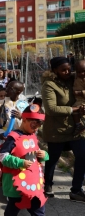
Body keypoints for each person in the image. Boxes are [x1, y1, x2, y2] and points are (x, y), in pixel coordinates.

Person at [41, 56, 85, 201]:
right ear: (55, 70)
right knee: (53, 159)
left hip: (75, 129)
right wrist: (73, 109)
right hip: (56, 130)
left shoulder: (74, 78)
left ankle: (76, 190)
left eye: (69, 69)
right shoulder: (49, 85)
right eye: (63, 70)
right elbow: (50, 108)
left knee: (82, 156)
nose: (67, 72)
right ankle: (47, 186)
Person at [0, 104, 48, 216]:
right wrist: (20, 163)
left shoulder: (33, 136)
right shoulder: (13, 137)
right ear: (24, 119)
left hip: (34, 183)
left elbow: (38, 154)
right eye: (34, 124)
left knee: (38, 209)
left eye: (39, 124)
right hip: (16, 186)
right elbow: (2, 156)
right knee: (13, 209)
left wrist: (44, 155)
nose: (36, 128)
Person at [0, 81, 25, 145]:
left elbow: (30, 123)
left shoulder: (24, 105)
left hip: (20, 140)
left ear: (18, 92)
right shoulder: (0, 104)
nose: (6, 90)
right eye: (7, 87)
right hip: (5, 139)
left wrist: (21, 117)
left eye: (10, 88)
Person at [72, 60, 85, 136]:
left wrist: (79, 92)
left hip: (82, 99)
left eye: (84, 71)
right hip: (78, 99)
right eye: (79, 72)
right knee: (75, 110)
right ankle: (78, 124)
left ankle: (78, 125)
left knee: (75, 109)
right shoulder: (76, 76)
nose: (82, 73)